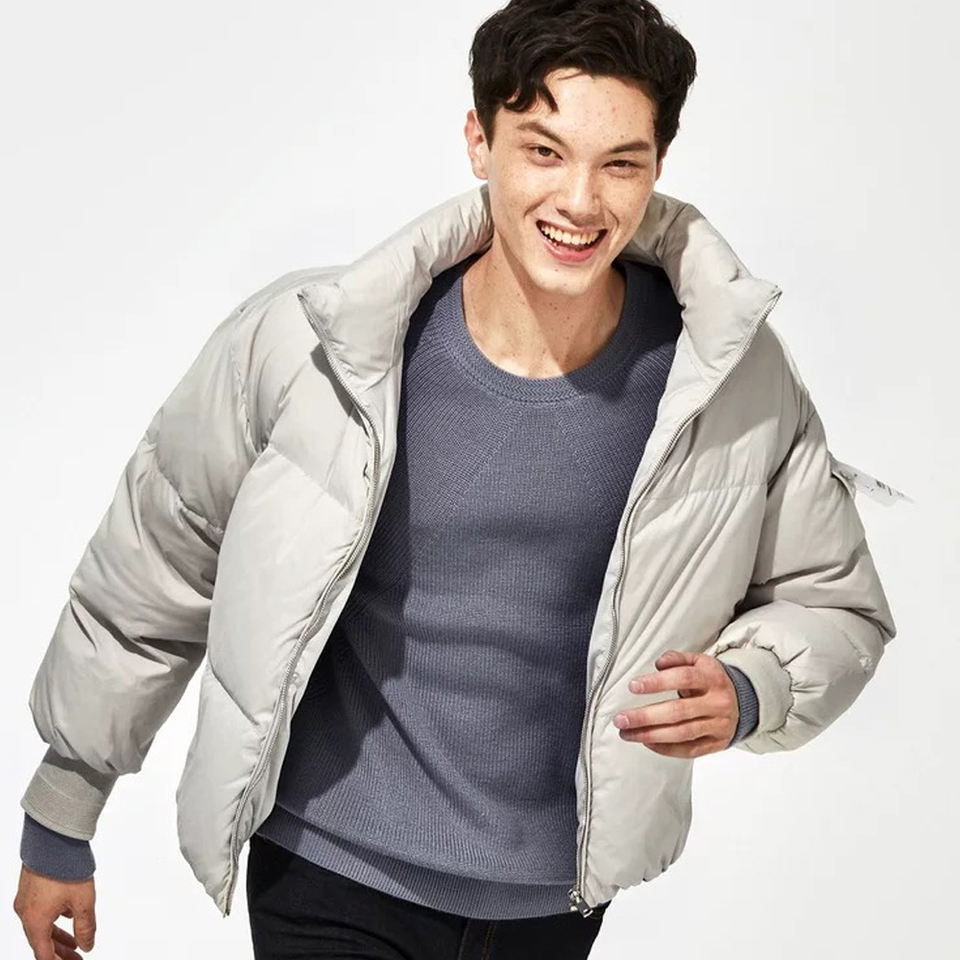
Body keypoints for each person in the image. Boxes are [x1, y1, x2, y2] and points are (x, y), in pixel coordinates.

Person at [13, 1, 897, 958]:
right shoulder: (321, 346)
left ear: (659, 166)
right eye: (544, 151)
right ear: (480, 141)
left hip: (555, 902)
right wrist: (65, 805)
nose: (580, 201)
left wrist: (753, 686)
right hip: (330, 868)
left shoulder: (722, 378)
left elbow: (835, 602)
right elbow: (161, 559)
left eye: (620, 163)